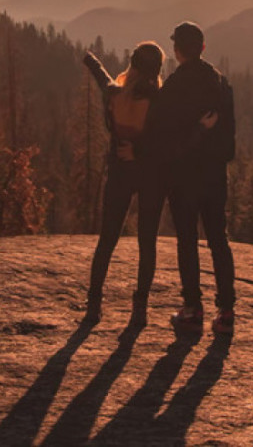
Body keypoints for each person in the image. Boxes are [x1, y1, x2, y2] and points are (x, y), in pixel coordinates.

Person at [141, 21, 237, 335]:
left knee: (187, 241)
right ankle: (226, 312)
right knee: (218, 240)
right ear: (203, 48)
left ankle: (192, 309)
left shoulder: (174, 86)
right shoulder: (220, 83)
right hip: (214, 176)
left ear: (177, 51)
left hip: (184, 178)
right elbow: (230, 138)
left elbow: (159, 135)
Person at [81, 43, 169, 325]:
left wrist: (91, 61)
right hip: (151, 176)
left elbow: (103, 78)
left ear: (132, 67)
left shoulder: (115, 95)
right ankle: (139, 307)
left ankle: (94, 304)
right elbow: (164, 142)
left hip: (121, 172)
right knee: (147, 243)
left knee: (107, 239)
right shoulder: (160, 101)